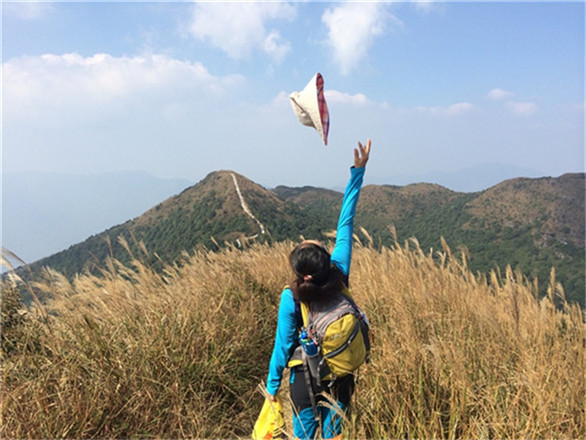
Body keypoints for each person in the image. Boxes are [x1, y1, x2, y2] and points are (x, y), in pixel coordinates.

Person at [266, 139, 371, 439]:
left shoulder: (292, 296)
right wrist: (357, 173)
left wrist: (272, 387)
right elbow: (346, 222)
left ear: (300, 273)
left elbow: (283, 346)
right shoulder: (340, 272)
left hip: (304, 378)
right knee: (334, 435)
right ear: (326, 258)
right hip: (341, 372)